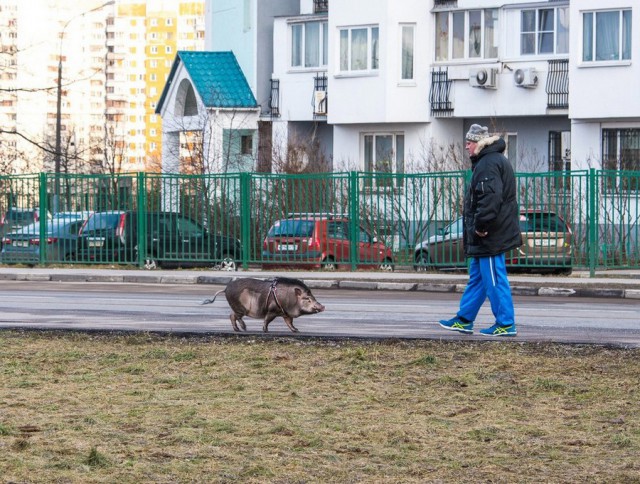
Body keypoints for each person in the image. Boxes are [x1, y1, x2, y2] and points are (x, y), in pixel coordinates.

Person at [439, 124, 522, 336]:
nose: (466, 147)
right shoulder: (490, 161)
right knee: (478, 278)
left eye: (469, 142)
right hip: (487, 235)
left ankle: (505, 323)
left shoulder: (488, 163)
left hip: (490, 234)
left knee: (494, 278)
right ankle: (464, 319)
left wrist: (481, 225)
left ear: (479, 142)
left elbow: (490, 199)